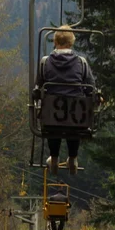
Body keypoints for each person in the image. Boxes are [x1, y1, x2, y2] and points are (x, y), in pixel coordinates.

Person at [34, 25, 96, 175]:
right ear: (71, 43)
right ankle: (73, 157)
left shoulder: (45, 62)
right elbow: (90, 88)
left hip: (52, 115)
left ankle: (54, 158)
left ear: (55, 42)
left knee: (52, 123)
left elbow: (38, 86)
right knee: (74, 121)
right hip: (77, 117)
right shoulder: (81, 63)